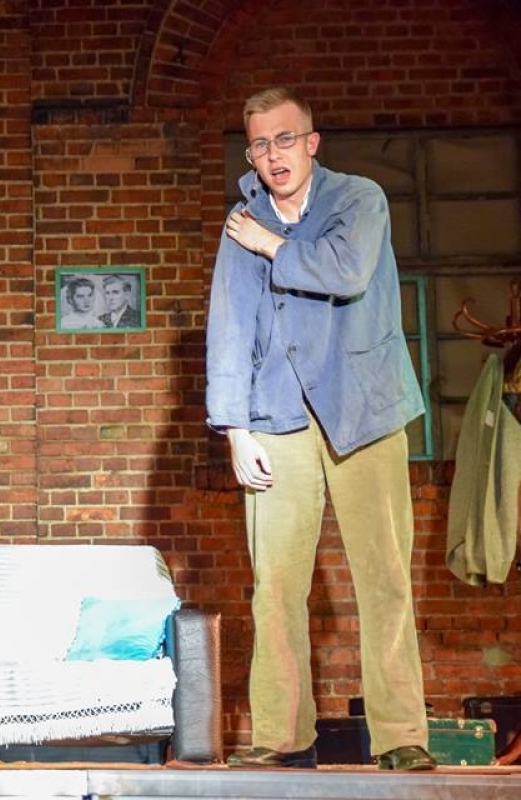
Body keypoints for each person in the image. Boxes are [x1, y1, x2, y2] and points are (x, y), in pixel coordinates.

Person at [206, 87, 436, 771]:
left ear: (311, 143)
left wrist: (273, 245)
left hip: (364, 409)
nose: (274, 154)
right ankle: (282, 738)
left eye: (285, 139)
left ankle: (401, 737)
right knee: (275, 587)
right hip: (276, 415)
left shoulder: (358, 199)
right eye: (260, 144)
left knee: (384, 579)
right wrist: (235, 428)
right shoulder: (242, 223)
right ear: (251, 155)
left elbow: (347, 271)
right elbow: (229, 327)